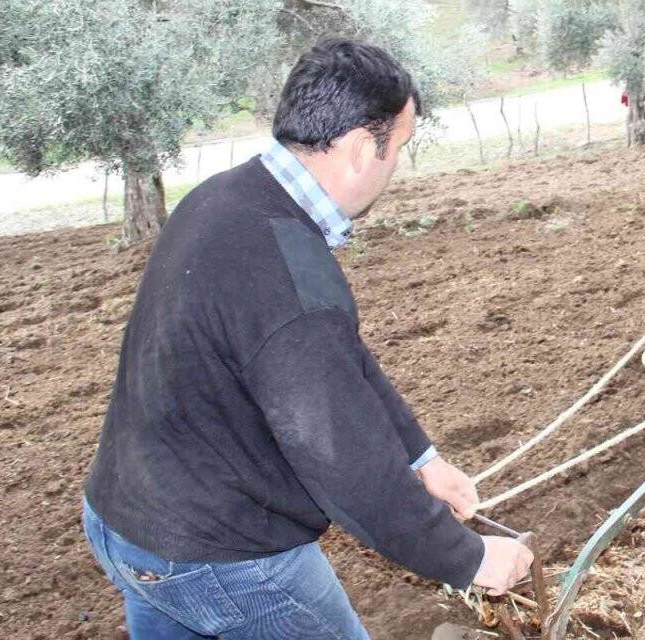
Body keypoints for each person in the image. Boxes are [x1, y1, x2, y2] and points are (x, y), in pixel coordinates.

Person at [81, 39, 533, 639]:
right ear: (356, 150)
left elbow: (340, 363)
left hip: (125, 522)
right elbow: (347, 464)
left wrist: (422, 460)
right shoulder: (289, 279)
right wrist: (469, 557)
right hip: (221, 557)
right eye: (398, 148)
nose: (397, 166)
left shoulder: (223, 198)